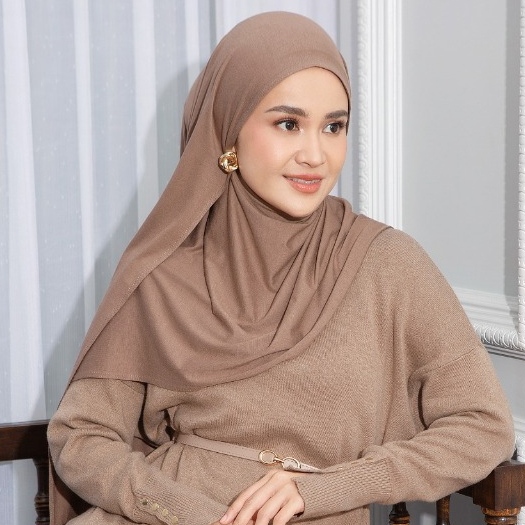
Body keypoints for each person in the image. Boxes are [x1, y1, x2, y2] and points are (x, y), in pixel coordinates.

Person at [47, 11, 515, 525]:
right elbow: (81, 436)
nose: (315, 154)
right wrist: (179, 510)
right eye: (288, 124)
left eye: (334, 127)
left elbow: (483, 425)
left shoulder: (387, 264)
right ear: (228, 129)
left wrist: (330, 487)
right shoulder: (165, 269)